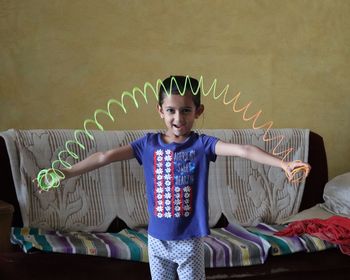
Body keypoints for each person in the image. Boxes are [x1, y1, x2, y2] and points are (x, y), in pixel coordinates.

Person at [36, 75, 311, 280]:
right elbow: (105, 156)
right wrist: (66, 172)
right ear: (160, 111)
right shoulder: (148, 144)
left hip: (188, 240)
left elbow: (243, 149)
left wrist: (282, 163)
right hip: (156, 239)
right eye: (171, 110)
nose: (178, 118)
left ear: (198, 111)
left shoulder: (201, 145)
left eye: (186, 110)